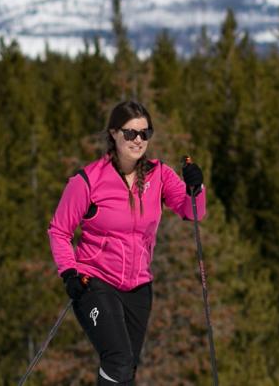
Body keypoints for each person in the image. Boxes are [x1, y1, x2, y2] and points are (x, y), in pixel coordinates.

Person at [47, 100, 207, 385]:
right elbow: (59, 231)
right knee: (118, 359)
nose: (138, 140)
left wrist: (196, 188)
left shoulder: (160, 175)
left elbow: (193, 212)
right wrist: (69, 272)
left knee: (127, 369)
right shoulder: (88, 180)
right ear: (113, 134)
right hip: (94, 282)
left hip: (138, 287)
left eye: (144, 133)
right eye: (130, 133)